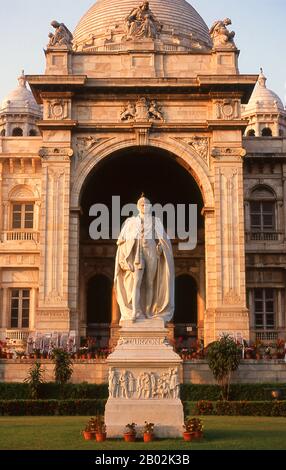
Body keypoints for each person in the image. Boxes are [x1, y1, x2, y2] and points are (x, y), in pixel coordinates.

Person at [114, 195, 175, 323]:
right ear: (137, 206)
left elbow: (164, 238)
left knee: (150, 283)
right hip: (137, 253)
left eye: (147, 204)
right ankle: (135, 311)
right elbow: (121, 240)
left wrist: (161, 246)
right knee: (136, 282)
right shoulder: (130, 222)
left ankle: (149, 312)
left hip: (151, 251)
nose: (144, 206)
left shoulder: (155, 221)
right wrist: (124, 257)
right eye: (142, 204)